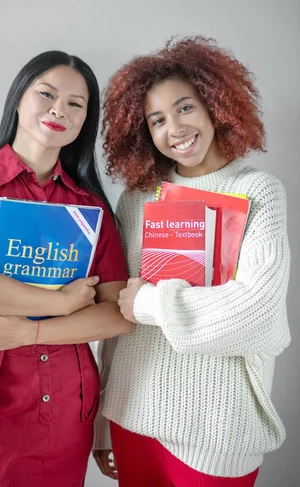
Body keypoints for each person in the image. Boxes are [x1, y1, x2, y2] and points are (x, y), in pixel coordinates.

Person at [0, 50, 131, 487]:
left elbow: (117, 314)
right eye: (47, 94)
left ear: (84, 122)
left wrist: (31, 330)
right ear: (19, 97)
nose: (60, 109)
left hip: (65, 407)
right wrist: (63, 302)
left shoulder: (90, 208)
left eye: (77, 104)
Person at [93, 36, 291, 486]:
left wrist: (149, 305)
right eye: (157, 119)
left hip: (217, 426)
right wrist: (104, 418)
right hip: (132, 412)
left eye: (185, 108)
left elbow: (256, 313)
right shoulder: (137, 198)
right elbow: (116, 319)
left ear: (215, 105)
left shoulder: (259, 192)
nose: (174, 130)